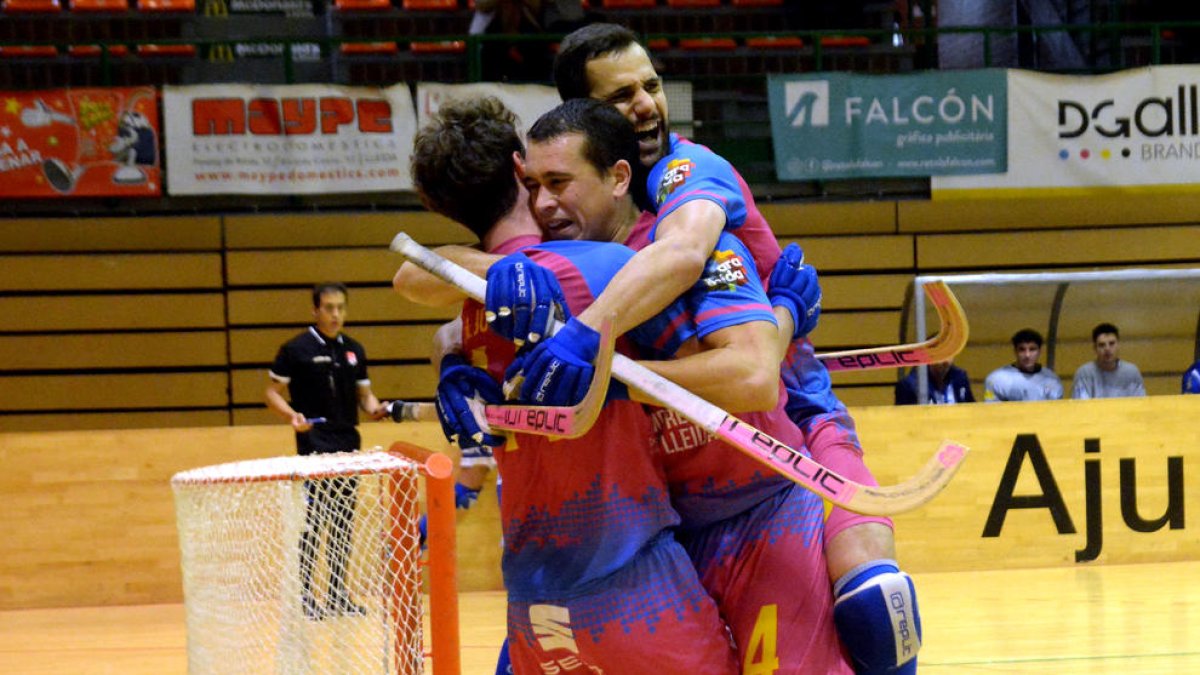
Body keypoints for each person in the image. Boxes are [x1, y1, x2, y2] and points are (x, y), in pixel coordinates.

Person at [507, 23, 916, 675]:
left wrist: (594, 345)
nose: (646, 104)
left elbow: (688, 258)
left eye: (652, 85)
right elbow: (464, 258)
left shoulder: (684, 170)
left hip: (794, 422)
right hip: (673, 498)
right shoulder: (579, 201)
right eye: (622, 96)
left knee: (875, 600)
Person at [402, 96, 740, 674]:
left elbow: (415, 278)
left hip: (535, 599)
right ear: (520, 169)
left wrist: (450, 357)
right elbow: (731, 370)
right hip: (633, 583)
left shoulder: (468, 308)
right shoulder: (604, 266)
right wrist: (781, 315)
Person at [264, 282, 390, 619]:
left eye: (340, 308)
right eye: (329, 308)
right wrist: (292, 416)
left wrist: (377, 409)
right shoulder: (296, 349)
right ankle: (306, 597)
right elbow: (272, 393)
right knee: (315, 522)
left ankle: (337, 595)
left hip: (348, 445)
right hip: (314, 446)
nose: (336, 314)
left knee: (342, 523)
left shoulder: (354, 350)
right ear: (315, 310)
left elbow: (366, 396)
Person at [983, 328, 1064, 402]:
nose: (1027, 355)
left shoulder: (1052, 379)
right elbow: (992, 412)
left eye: (1032, 349)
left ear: (1039, 351)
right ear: (1015, 351)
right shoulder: (996, 380)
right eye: (1022, 349)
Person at [1071, 322, 1146, 399]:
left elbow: (1140, 405)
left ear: (1118, 345)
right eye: (1102, 345)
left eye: (1112, 343)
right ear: (1095, 348)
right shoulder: (1084, 374)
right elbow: (1080, 407)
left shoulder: (1132, 372)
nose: (1107, 349)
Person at [895, 359, 975, 405]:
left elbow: (972, 411)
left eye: (949, 353)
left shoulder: (960, 378)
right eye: (941, 354)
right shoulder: (910, 385)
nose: (945, 360)